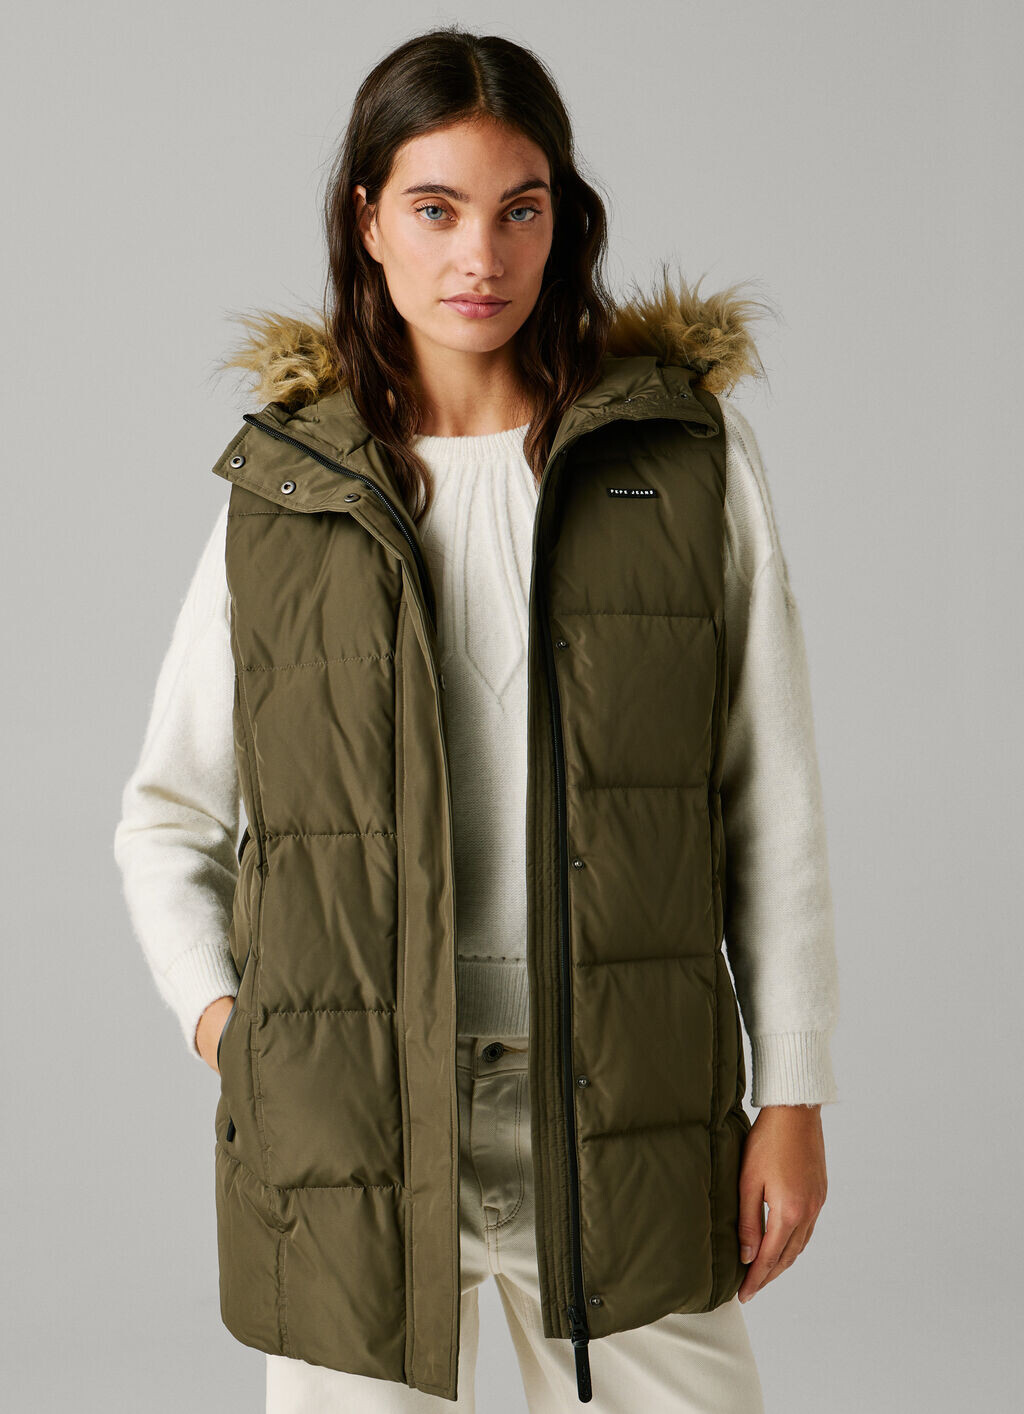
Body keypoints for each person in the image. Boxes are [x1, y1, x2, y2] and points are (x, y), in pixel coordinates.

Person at [113, 24, 839, 1414]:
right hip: (358, 1125)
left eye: (521, 210)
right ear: (368, 220)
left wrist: (793, 1092)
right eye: (436, 210)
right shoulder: (290, 489)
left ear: (564, 222)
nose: (481, 258)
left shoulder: (680, 458)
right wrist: (239, 1035)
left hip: (624, 1103)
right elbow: (167, 817)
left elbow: (772, 797)